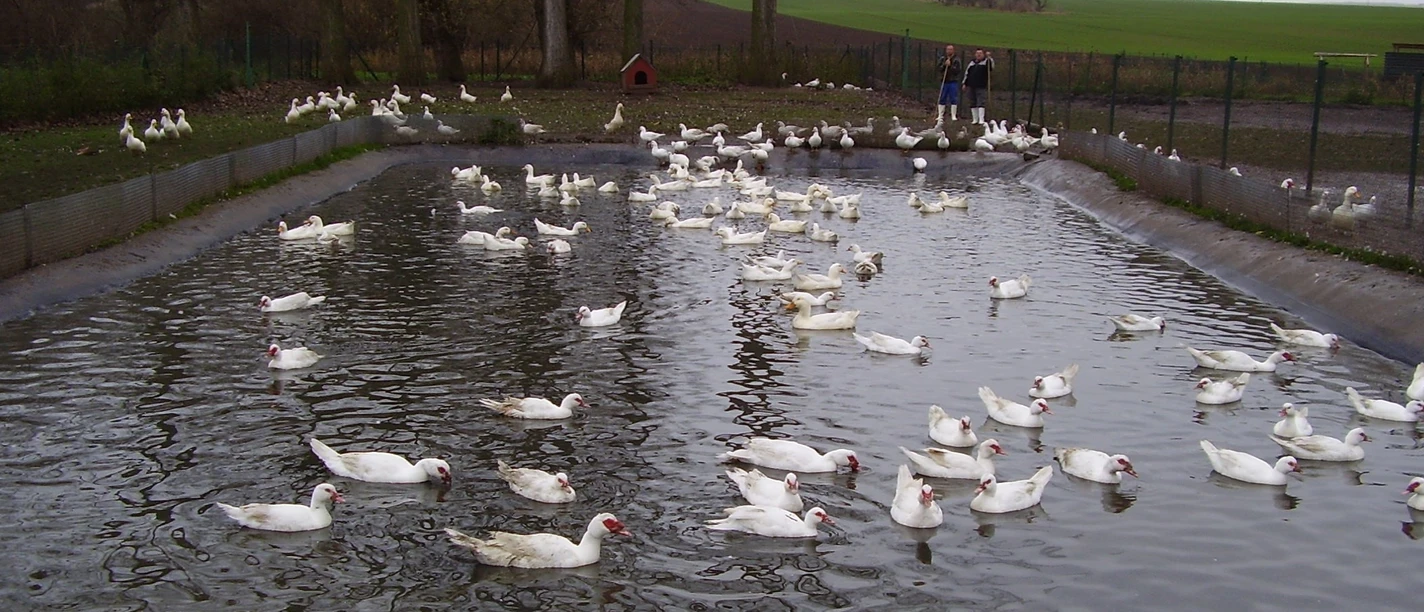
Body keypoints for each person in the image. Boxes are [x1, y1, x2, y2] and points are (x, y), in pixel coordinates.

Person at [962, 48, 994, 125]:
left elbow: (991, 67)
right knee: (972, 102)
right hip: (971, 85)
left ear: (983, 54)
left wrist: (989, 58)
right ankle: (975, 119)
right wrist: (964, 83)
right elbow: (967, 73)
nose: (978, 55)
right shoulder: (972, 63)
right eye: (977, 53)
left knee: (981, 101)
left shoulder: (986, 62)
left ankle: (981, 119)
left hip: (981, 85)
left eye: (980, 53)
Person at [935, 44, 962, 123]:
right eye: (948, 50)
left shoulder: (957, 60)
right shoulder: (943, 59)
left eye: (950, 50)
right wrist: (944, 65)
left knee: (953, 98)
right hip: (944, 81)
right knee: (942, 97)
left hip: (953, 81)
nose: (949, 51)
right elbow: (939, 68)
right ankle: (940, 115)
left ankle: (953, 115)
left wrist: (950, 66)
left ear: (953, 50)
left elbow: (958, 71)